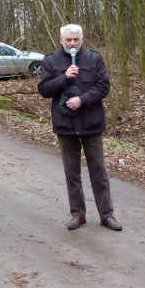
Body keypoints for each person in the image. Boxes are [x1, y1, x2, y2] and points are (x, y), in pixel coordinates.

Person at [38, 24, 122, 231]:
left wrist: (82, 100)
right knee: (72, 172)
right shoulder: (50, 61)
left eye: (76, 39)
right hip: (65, 125)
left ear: (82, 39)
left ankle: (107, 215)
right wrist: (64, 77)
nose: (73, 43)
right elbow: (44, 89)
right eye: (69, 40)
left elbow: (104, 86)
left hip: (91, 124)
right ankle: (78, 214)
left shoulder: (95, 59)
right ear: (61, 40)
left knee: (99, 171)